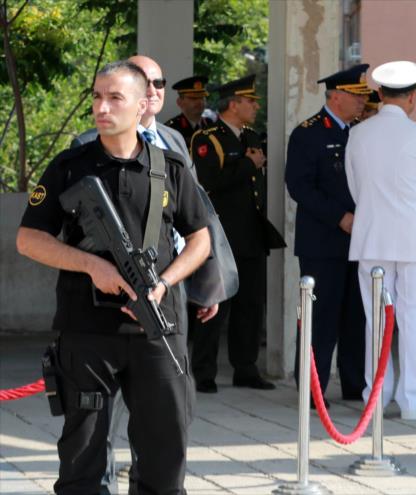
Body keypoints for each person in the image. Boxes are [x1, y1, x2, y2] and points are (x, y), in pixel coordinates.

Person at [17, 60, 210, 494]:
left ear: (144, 104)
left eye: (115, 98)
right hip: (87, 330)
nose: (102, 107)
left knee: (165, 454)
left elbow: (201, 239)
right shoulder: (69, 166)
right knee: (82, 458)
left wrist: (165, 282)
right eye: (96, 97)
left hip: (158, 330)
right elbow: (28, 239)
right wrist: (91, 265)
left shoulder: (172, 168)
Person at [71, 54, 223, 492]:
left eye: (158, 83)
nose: (156, 91)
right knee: (88, 441)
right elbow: (46, 235)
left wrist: (192, 283)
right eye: (99, 97)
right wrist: (92, 265)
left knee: (164, 435)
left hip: (162, 309)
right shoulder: (79, 155)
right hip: (95, 320)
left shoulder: (174, 148)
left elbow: (200, 229)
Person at [345, 60, 416, 420]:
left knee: (376, 321)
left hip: (372, 237)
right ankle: (410, 401)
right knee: (413, 320)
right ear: (412, 97)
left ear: (379, 94)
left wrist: (377, 215)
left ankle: (377, 395)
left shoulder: (358, 134)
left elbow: (354, 187)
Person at [190, 74, 285, 393]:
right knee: (214, 304)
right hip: (221, 235)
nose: (256, 106)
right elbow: (207, 184)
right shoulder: (208, 139)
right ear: (233, 105)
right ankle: (203, 371)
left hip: (251, 234)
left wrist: (249, 161)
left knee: (250, 304)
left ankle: (245, 367)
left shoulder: (251, 138)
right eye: (250, 101)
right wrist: (247, 165)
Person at [285, 65, 370, 403]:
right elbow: (299, 186)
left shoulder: (360, 133)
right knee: (319, 318)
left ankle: (354, 384)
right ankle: (311, 386)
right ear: (337, 96)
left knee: (355, 316)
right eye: (357, 96)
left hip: (360, 240)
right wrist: (339, 217)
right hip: (322, 243)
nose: (362, 102)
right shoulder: (308, 133)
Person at [164, 75, 215, 151]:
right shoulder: (171, 128)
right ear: (179, 102)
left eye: (202, 98)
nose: (199, 102)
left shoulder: (211, 124)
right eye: (193, 98)